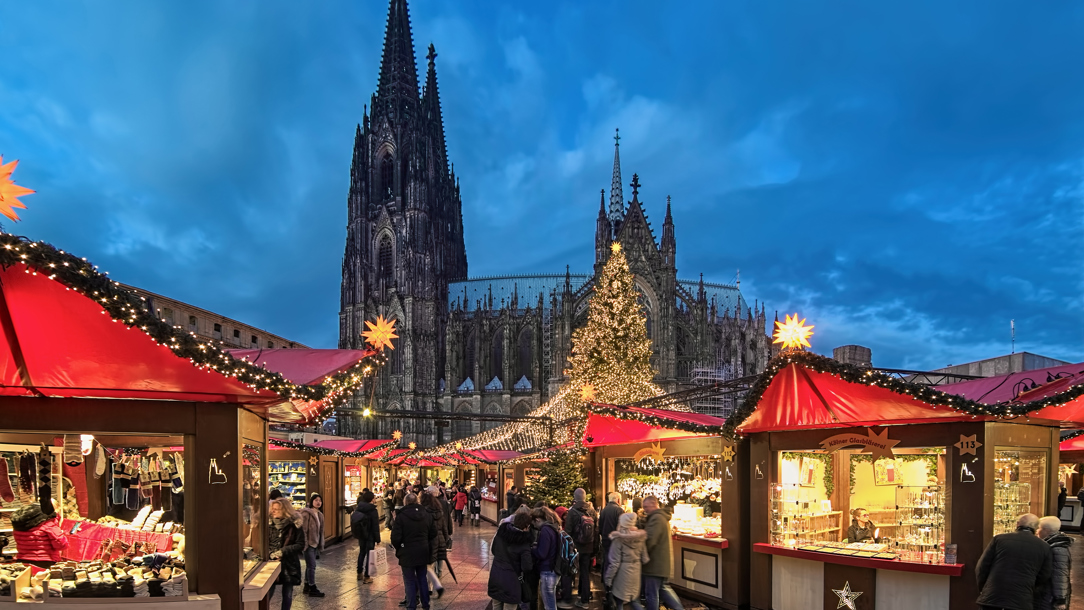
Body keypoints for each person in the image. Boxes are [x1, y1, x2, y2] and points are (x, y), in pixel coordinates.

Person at [976, 513, 1053, 610]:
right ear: (1036, 528)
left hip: (993, 595)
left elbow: (982, 567)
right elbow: (1044, 574)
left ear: (1017, 524)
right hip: (1021, 598)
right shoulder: (1044, 546)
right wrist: (1030, 586)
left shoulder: (999, 539)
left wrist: (984, 588)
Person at [392, 493, 436, 610]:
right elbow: (433, 533)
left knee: (409, 580)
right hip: (423, 550)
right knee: (422, 577)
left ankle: (411, 605)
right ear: (417, 502)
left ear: (405, 502)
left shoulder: (401, 516)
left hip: (407, 551)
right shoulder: (427, 514)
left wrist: (400, 547)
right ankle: (426, 604)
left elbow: (395, 537)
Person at [642, 496, 683, 610]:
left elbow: (650, 540)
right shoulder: (660, 517)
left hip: (654, 563)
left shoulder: (656, 519)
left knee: (652, 594)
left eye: (646, 507)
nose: (645, 509)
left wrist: (640, 554)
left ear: (654, 504)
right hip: (661, 563)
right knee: (663, 589)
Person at [488, 510, 535, 610]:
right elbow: (527, 567)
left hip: (496, 577)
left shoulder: (501, 534)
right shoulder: (524, 543)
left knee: (496, 606)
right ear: (527, 526)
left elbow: (494, 550)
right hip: (512, 582)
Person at [605, 513, 648, 610]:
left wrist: (608, 579)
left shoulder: (618, 539)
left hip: (622, 574)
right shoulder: (640, 537)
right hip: (636, 572)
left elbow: (614, 563)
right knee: (634, 600)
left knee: (619, 602)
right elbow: (645, 558)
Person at [564, 488, 598, 609]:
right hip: (588, 547)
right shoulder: (592, 511)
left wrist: (568, 547)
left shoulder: (572, 511)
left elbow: (567, 531)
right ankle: (584, 600)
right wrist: (595, 549)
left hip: (575, 547)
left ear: (574, 497)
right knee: (585, 573)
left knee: (569, 571)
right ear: (585, 497)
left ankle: (567, 599)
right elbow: (596, 530)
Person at [268, 498, 304, 610]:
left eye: (277, 509)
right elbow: (263, 543)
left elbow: (300, 544)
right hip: (272, 563)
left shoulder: (294, 525)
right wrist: (271, 554)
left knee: (287, 593)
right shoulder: (268, 525)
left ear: (285, 511)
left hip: (289, 563)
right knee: (268, 592)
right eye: (272, 509)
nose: (273, 511)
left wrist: (283, 552)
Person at [11, 502, 69, 568]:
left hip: (23, 561)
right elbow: (61, 545)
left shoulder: (19, 524)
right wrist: (62, 534)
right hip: (45, 562)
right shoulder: (48, 524)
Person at [1038, 515, 1072, 610]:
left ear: (1046, 530)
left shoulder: (1057, 549)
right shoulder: (1053, 545)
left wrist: (1060, 599)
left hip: (1050, 597)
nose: (1037, 531)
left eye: (1039, 528)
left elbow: (1060, 574)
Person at [532, 507, 562, 610]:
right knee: (551, 602)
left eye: (534, 523)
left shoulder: (545, 530)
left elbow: (542, 553)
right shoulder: (554, 527)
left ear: (538, 519)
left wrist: (532, 549)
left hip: (547, 570)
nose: (534, 526)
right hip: (554, 569)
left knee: (549, 605)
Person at [421, 488, 448, 598]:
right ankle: (433, 585)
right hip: (439, 540)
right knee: (431, 564)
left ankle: (432, 587)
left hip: (428, 541)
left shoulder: (425, 513)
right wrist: (446, 538)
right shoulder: (439, 512)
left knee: (427, 565)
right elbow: (444, 527)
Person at [298, 493, 326, 597]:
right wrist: (304, 544)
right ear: (311, 502)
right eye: (316, 500)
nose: (318, 502)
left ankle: (306, 586)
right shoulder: (307, 514)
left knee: (310, 565)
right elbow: (303, 530)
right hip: (308, 544)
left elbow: (321, 531)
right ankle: (312, 587)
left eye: (320, 500)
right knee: (312, 566)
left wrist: (320, 543)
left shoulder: (320, 514)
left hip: (315, 543)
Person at [352, 490, 380, 584]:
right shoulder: (373, 510)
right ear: (372, 499)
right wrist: (378, 539)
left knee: (362, 553)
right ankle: (367, 576)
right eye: (374, 497)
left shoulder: (359, 507)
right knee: (369, 555)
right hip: (370, 535)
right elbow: (375, 526)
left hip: (361, 534)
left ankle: (359, 573)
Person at [598, 492, 625, 591]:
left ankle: (606, 584)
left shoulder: (604, 510)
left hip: (605, 540)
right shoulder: (619, 510)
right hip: (615, 541)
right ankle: (613, 587)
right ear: (618, 500)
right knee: (614, 563)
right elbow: (622, 527)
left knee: (607, 562)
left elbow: (600, 526)